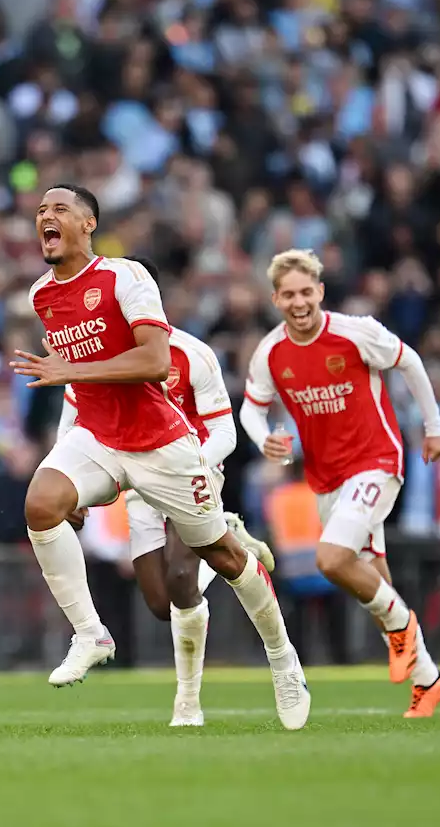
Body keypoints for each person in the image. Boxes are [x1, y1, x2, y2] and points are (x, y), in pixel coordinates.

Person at [10, 185, 310, 731]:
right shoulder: (42, 296)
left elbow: (151, 362)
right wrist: (66, 455)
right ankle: (90, 634)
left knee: (220, 557)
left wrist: (67, 372)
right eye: (39, 212)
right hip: (99, 438)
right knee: (40, 504)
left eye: (58, 209)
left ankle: (284, 659)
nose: (45, 218)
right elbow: (78, 387)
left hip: (160, 444)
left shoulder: (127, 278)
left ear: (89, 223)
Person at [57, 254, 276, 727]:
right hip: (134, 485)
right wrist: (70, 484)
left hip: (183, 474)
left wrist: (193, 464)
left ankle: (191, 702)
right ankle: (228, 533)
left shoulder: (191, 353)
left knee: (181, 578)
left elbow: (225, 432)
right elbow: (72, 421)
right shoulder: (94, 355)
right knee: (161, 604)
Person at [239, 249, 440, 718]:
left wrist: (434, 428)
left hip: (376, 461)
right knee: (375, 581)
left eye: (306, 292)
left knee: (332, 559)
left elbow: (410, 361)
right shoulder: (271, 351)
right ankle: (429, 680)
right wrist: (264, 438)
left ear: (320, 291)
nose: (299, 302)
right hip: (326, 478)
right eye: (289, 294)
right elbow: (251, 408)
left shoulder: (356, 332)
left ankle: (402, 630)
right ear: (276, 298)